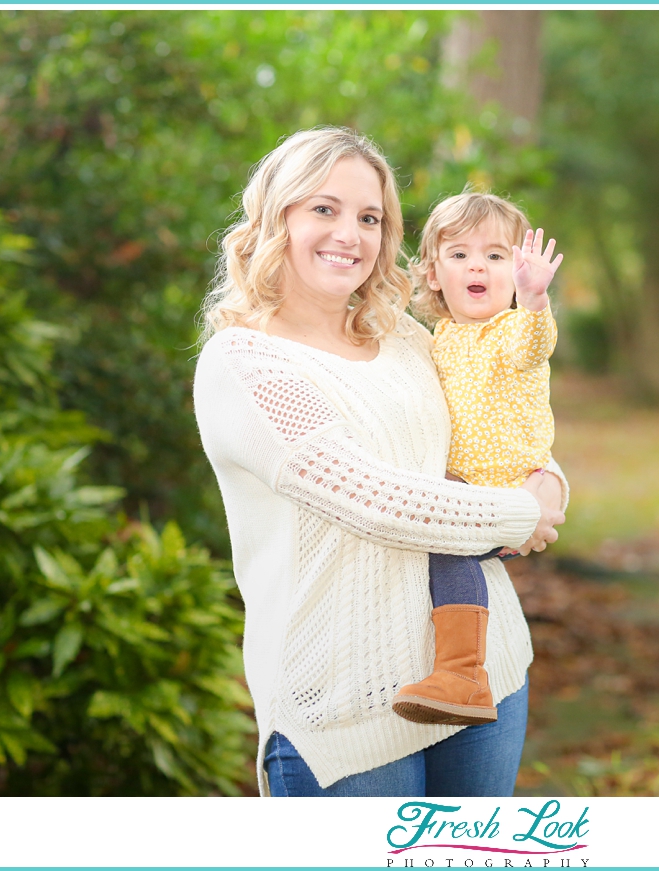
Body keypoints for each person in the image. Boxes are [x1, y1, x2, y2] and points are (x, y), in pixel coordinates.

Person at [193, 127, 567, 797]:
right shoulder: (244, 362)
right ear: (277, 215)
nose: (351, 234)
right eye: (324, 209)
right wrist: (521, 512)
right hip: (345, 713)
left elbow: (490, 417)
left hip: (486, 677)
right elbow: (374, 501)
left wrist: (549, 479)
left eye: (370, 217)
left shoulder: (399, 334)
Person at [391, 192, 562, 727]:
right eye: (460, 254)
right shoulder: (440, 338)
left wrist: (535, 301)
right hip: (466, 488)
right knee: (450, 552)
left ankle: (463, 673)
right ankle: (460, 672)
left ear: (514, 272)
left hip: (507, 489)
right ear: (434, 274)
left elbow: (535, 345)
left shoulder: (509, 331)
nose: (477, 266)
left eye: (495, 255)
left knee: (450, 551)